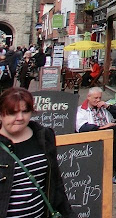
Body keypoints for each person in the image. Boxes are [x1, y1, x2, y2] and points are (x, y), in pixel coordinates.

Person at [0, 87, 75, 218]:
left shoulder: (43, 136)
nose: (20, 118)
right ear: (1, 114)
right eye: (12, 113)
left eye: (25, 111)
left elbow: (56, 182)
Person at [76, 87, 116, 186]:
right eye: (95, 98)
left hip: (109, 134)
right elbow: (82, 127)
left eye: (99, 98)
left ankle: (113, 172)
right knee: (115, 130)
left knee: (114, 135)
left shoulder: (104, 107)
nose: (98, 100)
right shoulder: (81, 110)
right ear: (88, 97)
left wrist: (107, 106)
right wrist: (102, 127)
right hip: (93, 136)